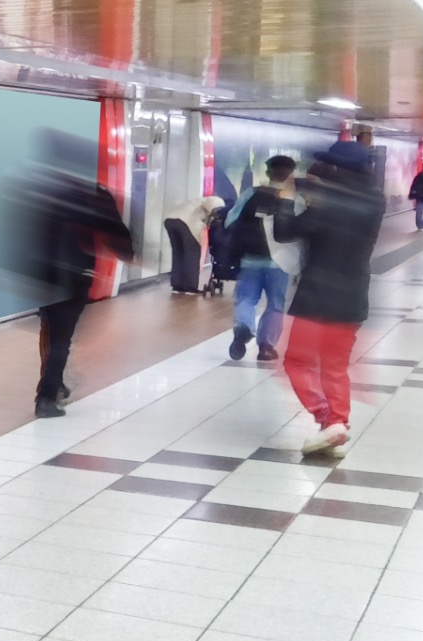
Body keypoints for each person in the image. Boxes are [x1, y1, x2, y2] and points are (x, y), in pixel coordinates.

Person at [0, 129, 135, 419]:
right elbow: (115, 233)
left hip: (42, 275)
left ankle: (55, 384)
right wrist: (129, 252)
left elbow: (12, 227)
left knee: (52, 334)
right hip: (73, 275)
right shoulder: (91, 193)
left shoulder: (32, 187)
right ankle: (47, 396)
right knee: (60, 340)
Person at [273, 141, 384, 457]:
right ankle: (337, 425)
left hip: (318, 297)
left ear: (336, 169)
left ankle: (328, 419)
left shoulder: (327, 202)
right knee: (335, 366)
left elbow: (285, 232)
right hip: (353, 295)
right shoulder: (375, 201)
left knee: (297, 361)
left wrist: (284, 199)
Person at [224, 156, 297, 362]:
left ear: (268, 172)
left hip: (250, 259)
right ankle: (266, 347)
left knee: (246, 298)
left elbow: (231, 220)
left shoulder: (251, 194)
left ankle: (243, 329)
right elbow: (300, 232)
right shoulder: (295, 200)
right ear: (291, 174)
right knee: (275, 303)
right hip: (280, 262)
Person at [164, 196, 224, 294]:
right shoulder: (217, 200)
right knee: (192, 253)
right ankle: (190, 287)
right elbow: (211, 205)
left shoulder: (196, 201)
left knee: (178, 254)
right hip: (185, 222)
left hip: (169, 220)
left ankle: (177, 286)